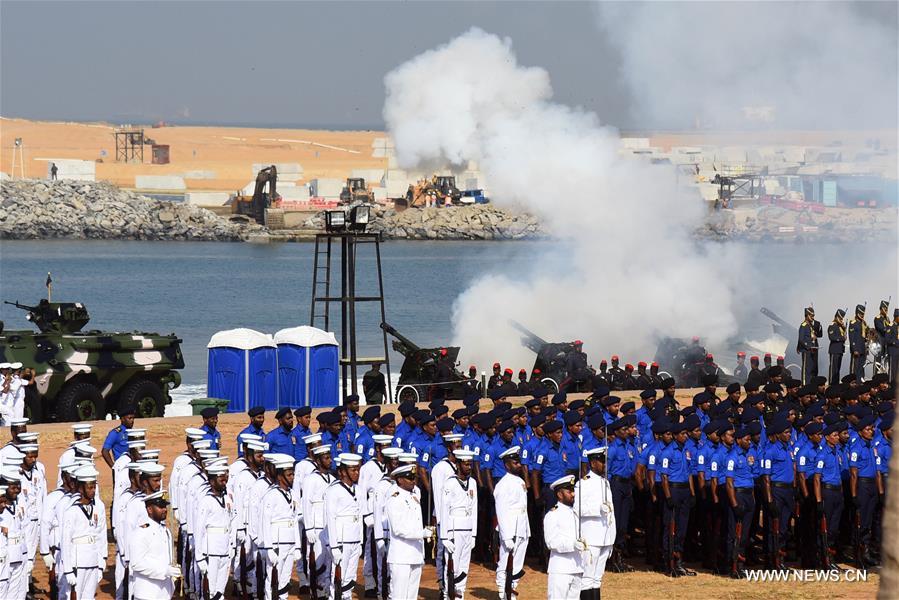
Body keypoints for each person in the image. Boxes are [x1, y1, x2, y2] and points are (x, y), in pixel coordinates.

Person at [385, 464, 435, 600]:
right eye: (410, 478)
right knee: (398, 596)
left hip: (416, 554)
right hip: (401, 556)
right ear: (400, 480)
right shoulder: (395, 499)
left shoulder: (414, 496)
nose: (413, 481)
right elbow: (398, 529)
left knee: (412, 596)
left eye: (414, 478)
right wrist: (422, 533)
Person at [61, 465, 107, 600]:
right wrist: (68, 569)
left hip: (93, 560)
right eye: (89, 487)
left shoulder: (96, 508)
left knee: (89, 596)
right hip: (78, 562)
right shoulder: (72, 510)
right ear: (81, 488)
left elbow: (101, 536)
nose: (93, 491)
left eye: (94, 487)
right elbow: (66, 541)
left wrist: (101, 563)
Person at [575, 447, 616, 600]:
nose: (605, 465)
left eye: (605, 461)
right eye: (601, 462)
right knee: (587, 578)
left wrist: (611, 537)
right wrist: (597, 509)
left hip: (605, 537)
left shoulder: (605, 482)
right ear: (592, 463)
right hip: (591, 537)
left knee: (597, 578)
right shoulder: (583, 483)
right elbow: (577, 509)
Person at [439, 449, 478, 600]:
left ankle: (460, 593)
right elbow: (444, 510)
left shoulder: (472, 482)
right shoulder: (450, 483)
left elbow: (474, 509)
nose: (469, 467)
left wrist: (474, 534)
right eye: (466, 464)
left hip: (468, 528)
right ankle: (447, 594)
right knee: (452, 566)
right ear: (459, 464)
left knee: (464, 565)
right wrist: (444, 537)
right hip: (454, 529)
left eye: (470, 464)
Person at [260, 453, 299, 600]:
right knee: (272, 580)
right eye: (289, 475)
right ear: (280, 476)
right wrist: (268, 548)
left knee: (285, 580)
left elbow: (295, 520)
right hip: (277, 543)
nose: (292, 477)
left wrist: (297, 546)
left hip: (290, 541)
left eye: (293, 474)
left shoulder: (292, 493)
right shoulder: (271, 495)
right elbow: (265, 522)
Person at [129, 490, 180, 600]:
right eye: (160, 506)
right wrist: (164, 570)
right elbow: (137, 563)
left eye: (165, 506)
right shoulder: (141, 532)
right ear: (149, 509)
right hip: (147, 593)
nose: (164, 509)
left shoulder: (166, 531)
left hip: (164, 592)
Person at [494, 446, 530, 599]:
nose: (519, 465)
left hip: (521, 527)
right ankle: (503, 592)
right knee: (505, 563)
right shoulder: (503, 484)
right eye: (515, 463)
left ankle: (512, 590)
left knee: (517, 563)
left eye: (519, 462)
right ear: (507, 465)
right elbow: (501, 512)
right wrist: (506, 536)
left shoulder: (520, 481)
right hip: (510, 529)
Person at [326, 453, 364, 600]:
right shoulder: (334, 490)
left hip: (354, 539)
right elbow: (331, 519)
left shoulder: (358, 490)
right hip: (341, 540)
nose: (356, 473)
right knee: (337, 579)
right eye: (353, 470)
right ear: (342, 471)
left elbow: (359, 516)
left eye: (357, 469)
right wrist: (334, 546)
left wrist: (360, 541)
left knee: (350, 577)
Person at [194, 462, 234, 600]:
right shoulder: (206, 501)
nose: (224, 482)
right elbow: (199, 530)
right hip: (211, 551)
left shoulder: (226, 499)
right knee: (209, 591)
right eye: (221, 480)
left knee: (219, 591)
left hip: (224, 550)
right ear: (212, 481)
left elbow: (231, 523)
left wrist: (231, 546)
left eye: (225, 479)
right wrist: (199, 556)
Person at [543, 475, 586, 600]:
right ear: (559, 494)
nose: (573, 494)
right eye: (569, 491)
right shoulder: (552, 515)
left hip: (577, 566)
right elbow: (551, 542)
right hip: (561, 568)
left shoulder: (575, 512)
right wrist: (572, 544)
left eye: (573, 491)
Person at [797, 306, 823, 385]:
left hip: (813, 350)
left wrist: (819, 326)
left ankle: (812, 384)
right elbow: (801, 339)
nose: (813, 317)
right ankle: (805, 384)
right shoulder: (803, 325)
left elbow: (819, 335)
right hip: (807, 350)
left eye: (813, 316)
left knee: (813, 369)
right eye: (811, 316)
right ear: (807, 315)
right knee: (807, 369)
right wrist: (808, 347)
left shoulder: (811, 325)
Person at [848, 304, 869, 381]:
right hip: (856, 349)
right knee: (855, 369)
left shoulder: (863, 323)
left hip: (862, 349)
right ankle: (854, 383)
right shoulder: (853, 323)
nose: (862, 315)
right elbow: (851, 337)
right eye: (861, 313)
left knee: (861, 368)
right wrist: (854, 349)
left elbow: (864, 336)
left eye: (863, 313)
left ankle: (860, 383)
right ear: (857, 313)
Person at [828, 309, 847, 384]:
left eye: (842, 319)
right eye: (840, 318)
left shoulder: (841, 327)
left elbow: (844, 336)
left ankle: (836, 384)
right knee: (833, 369)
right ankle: (831, 384)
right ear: (836, 317)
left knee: (837, 370)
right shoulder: (832, 326)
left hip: (840, 350)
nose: (841, 320)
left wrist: (844, 329)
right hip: (834, 350)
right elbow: (832, 337)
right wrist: (842, 338)